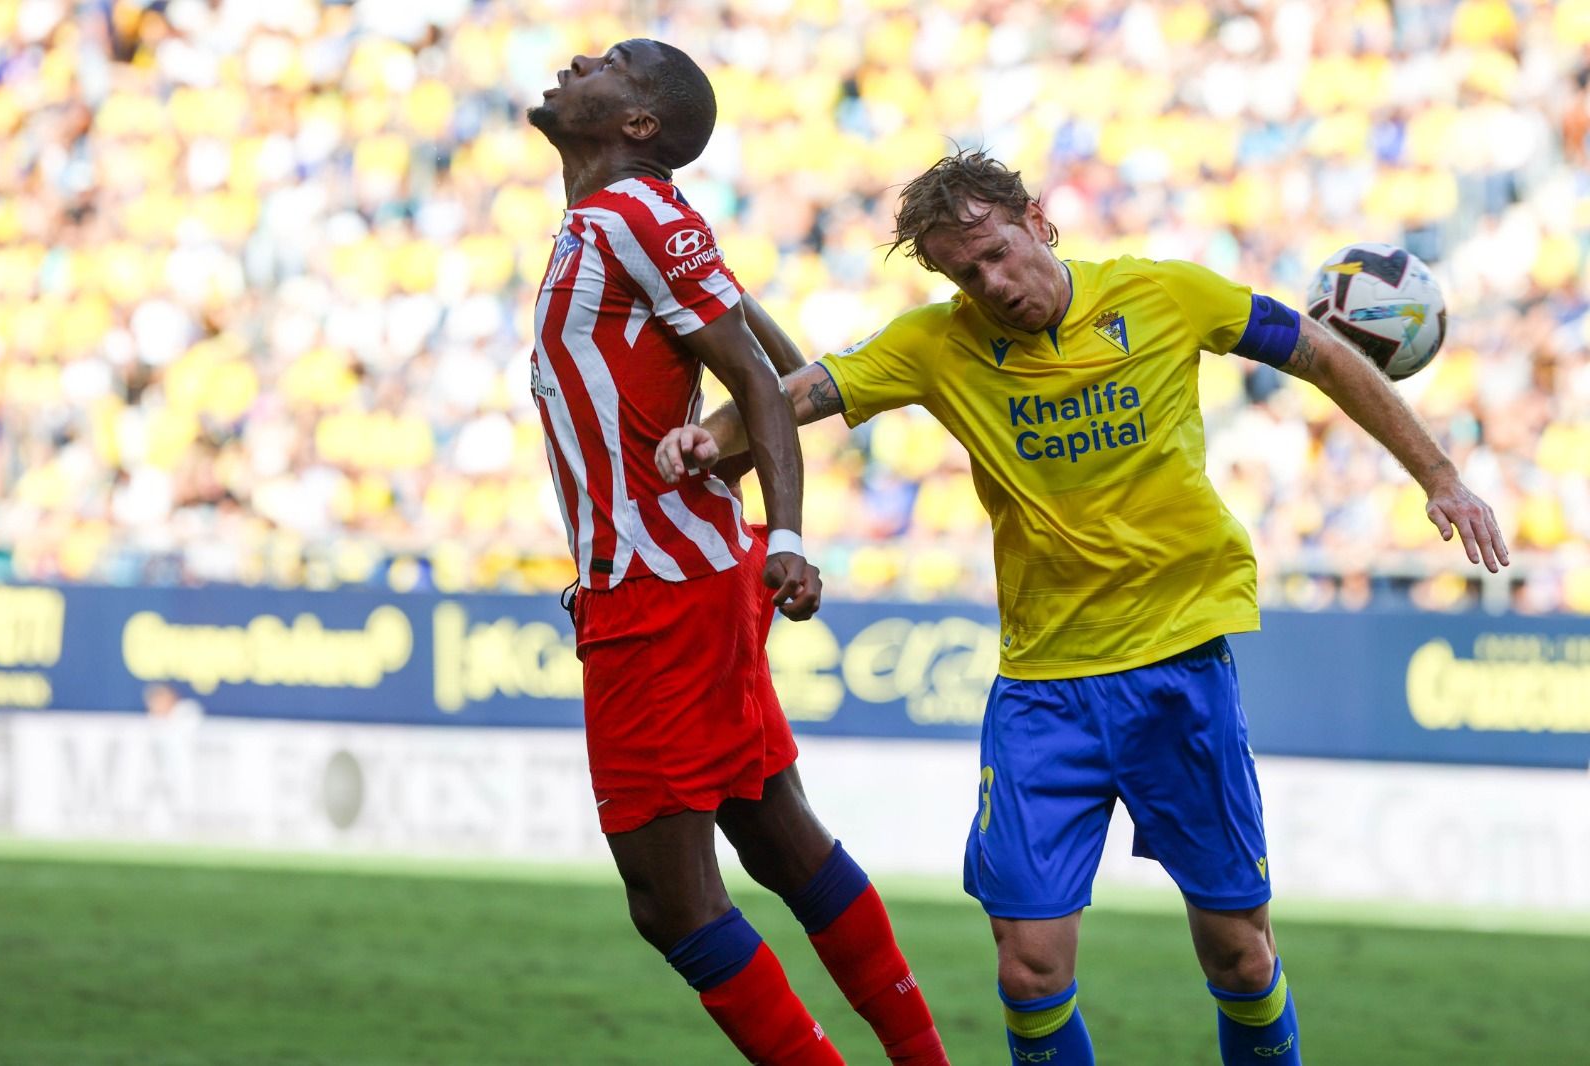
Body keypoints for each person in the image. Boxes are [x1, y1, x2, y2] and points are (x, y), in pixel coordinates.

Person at [657, 149, 1510, 1066]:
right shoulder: (936, 344)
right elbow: (794, 397)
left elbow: (1321, 354)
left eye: (997, 252)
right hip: (1044, 690)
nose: (992, 284)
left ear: (1037, 220)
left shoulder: (1165, 294)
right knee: (1027, 971)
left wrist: (1441, 476)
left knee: (1239, 951)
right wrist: (706, 438)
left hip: (1179, 671)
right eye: (964, 273)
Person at [524, 40, 950, 1066]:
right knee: (772, 831)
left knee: (671, 901)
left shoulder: (635, 214)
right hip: (685, 573)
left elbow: (766, 386)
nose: (582, 55)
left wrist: (792, 535)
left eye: (614, 61)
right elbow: (788, 362)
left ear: (638, 125)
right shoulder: (630, 222)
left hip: (661, 589)